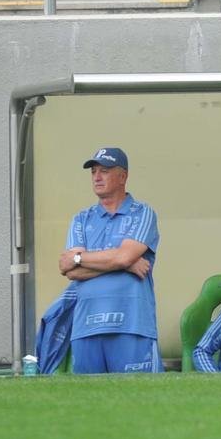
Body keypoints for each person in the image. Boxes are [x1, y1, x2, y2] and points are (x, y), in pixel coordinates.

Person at [58, 147, 162, 374]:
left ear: (123, 176)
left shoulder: (142, 213)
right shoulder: (81, 218)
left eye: (104, 171)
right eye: (93, 171)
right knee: (86, 406)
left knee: (141, 404)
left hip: (131, 325)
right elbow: (70, 270)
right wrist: (123, 264)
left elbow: (123, 256)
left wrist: (83, 259)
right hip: (86, 327)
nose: (96, 177)